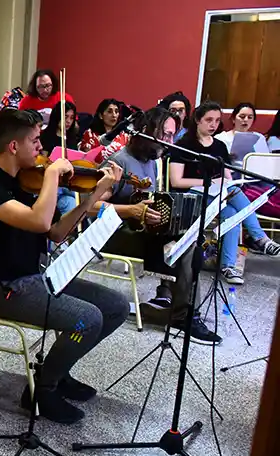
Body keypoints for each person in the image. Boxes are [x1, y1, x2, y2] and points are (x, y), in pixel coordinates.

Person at [0, 109, 129, 424]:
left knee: (116, 306)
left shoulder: (24, 184)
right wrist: (53, 174)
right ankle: (43, 389)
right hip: (2, 288)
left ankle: (58, 368)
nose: (42, 148)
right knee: (87, 320)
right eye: (36, 140)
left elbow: (54, 232)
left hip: (35, 278)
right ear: (13, 146)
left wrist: (94, 194)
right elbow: (40, 221)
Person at [94, 108, 220, 343]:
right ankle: (183, 316)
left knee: (189, 234)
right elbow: (92, 207)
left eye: (172, 136)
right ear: (146, 132)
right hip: (115, 234)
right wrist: (131, 210)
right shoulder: (118, 161)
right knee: (185, 246)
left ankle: (175, 302)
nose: (169, 142)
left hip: (141, 230)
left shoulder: (151, 160)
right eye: (165, 135)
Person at [171, 101, 280, 285]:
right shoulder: (184, 145)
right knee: (232, 193)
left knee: (233, 212)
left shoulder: (219, 145)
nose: (213, 124)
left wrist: (224, 182)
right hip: (192, 195)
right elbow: (176, 181)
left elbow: (227, 177)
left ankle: (228, 266)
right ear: (197, 120)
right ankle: (260, 238)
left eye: (217, 120)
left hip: (218, 194)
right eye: (209, 120)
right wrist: (209, 182)